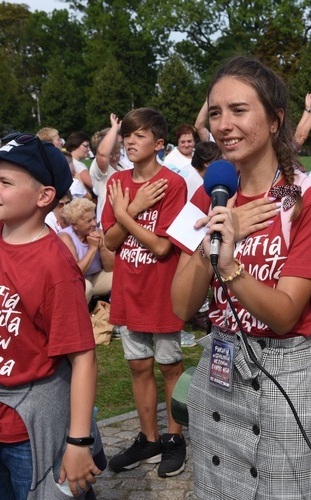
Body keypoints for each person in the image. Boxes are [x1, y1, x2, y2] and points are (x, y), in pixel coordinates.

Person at [171, 56, 311, 499]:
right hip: (218, 372)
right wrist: (210, 242)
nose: (224, 124)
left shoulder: (306, 198)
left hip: (282, 379)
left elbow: (286, 315)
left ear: (275, 120)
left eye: (239, 110)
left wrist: (229, 266)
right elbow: (180, 306)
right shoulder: (208, 192)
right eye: (215, 112)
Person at [0, 132, 104, 498]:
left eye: (5, 182)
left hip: (30, 430)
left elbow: (83, 357)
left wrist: (78, 442)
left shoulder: (55, 265)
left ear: (44, 196)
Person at [101, 107, 189, 478]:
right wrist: (132, 209)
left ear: (158, 143)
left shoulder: (173, 183)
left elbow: (162, 247)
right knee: (138, 365)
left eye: (139, 135)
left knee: (169, 366)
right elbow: (109, 241)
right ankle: (149, 439)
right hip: (128, 289)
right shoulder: (117, 182)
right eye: (127, 135)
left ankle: (174, 438)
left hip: (161, 292)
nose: (130, 141)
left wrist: (125, 215)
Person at [59, 198, 114, 304]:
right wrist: (92, 248)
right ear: (75, 225)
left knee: (120, 276)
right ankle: (81, 319)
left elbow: (110, 268)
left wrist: (101, 246)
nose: (94, 223)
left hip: (96, 277)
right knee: (86, 287)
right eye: (89, 221)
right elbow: (75, 273)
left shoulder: (97, 231)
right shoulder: (65, 236)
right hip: (75, 281)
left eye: (94, 218)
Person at [89, 114, 130, 221]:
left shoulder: (122, 166)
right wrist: (115, 128)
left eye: (117, 153)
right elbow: (103, 155)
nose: (114, 157)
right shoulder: (99, 168)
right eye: (111, 154)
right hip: (107, 220)